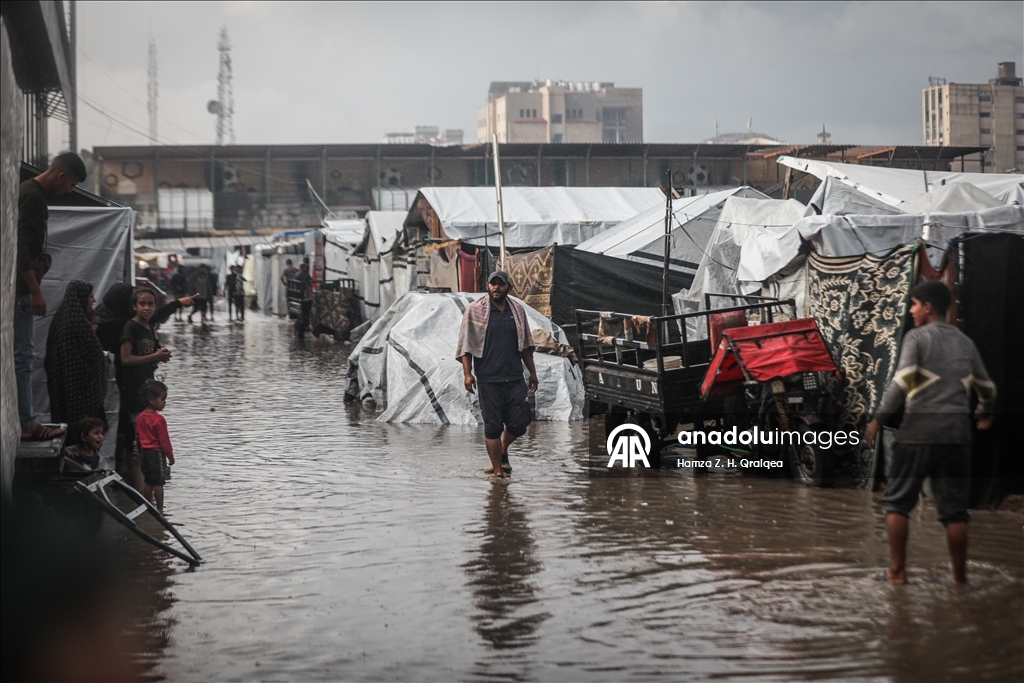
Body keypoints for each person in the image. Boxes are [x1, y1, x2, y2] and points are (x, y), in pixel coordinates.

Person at [867, 281, 996, 585]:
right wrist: (986, 412)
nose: (911, 311)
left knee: (897, 504)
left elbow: (901, 383)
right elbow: (986, 387)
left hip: (918, 433)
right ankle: (960, 580)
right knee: (955, 512)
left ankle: (897, 572)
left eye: (914, 305)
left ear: (927, 307)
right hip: (957, 436)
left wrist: (876, 420)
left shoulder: (917, 338)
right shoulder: (965, 342)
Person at [16, 152, 88, 440]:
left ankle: (23, 420)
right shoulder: (33, 196)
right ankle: (27, 424)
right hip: (21, 289)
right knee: (23, 357)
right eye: (71, 185)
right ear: (61, 176)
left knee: (20, 356)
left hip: (19, 285)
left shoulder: (26, 191)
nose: (68, 191)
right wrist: (35, 290)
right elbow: (19, 244)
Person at [456, 271, 538, 478]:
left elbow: (525, 346)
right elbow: (465, 346)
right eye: (493, 284)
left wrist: (533, 373)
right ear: (487, 285)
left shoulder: (517, 310)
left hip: (514, 377)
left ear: (509, 287)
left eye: (501, 284)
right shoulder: (474, 311)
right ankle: (499, 472)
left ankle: (503, 449)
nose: (496, 288)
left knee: (520, 422)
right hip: (488, 379)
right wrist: (468, 374)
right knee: (492, 426)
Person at [119, 289, 172, 490]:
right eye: (142, 304)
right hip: (133, 393)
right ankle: (142, 491)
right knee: (139, 445)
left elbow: (152, 356)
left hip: (146, 393)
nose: (147, 308)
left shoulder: (149, 328)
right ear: (135, 306)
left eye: (150, 304)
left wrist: (161, 356)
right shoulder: (130, 327)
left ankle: (146, 489)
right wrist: (155, 357)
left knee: (146, 442)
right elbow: (126, 359)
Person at [44, 280, 107, 428]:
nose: (94, 300)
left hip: (62, 386)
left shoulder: (60, 318)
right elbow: (93, 353)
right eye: (90, 296)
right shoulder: (78, 322)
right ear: (81, 297)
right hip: (80, 391)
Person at [135, 380, 174, 509]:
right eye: (162, 399)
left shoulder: (140, 417)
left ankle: (147, 507)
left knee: (148, 482)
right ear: (151, 400)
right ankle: (160, 509)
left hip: (145, 453)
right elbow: (164, 440)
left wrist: (140, 453)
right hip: (156, 454)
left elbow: (138, 437)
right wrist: (170, 456)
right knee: (158, 483)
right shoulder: (159, 419)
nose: (164, 403)